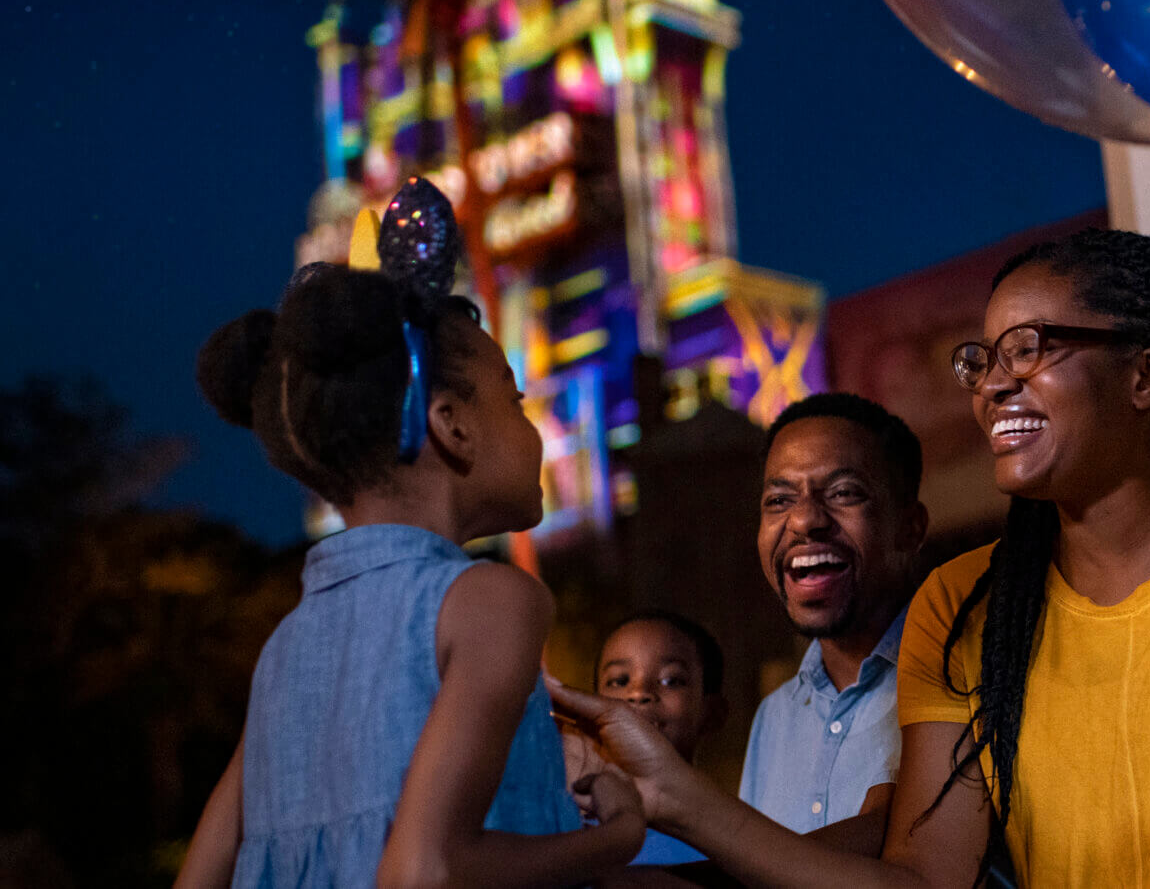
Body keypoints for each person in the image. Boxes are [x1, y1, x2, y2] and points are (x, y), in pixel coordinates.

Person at [548, 228, 1150, 887]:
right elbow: (925, 880)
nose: (995, 385)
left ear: (1147, 374)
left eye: (1031, 348)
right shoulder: (963, 605)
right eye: (983, 359)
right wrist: (677, 801)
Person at [174, 255, 642, 887]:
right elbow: (429, 869)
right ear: (451, 425)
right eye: (516, 398)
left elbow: (199, 878)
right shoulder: (491, 601)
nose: (533, 428)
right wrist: (617, 837)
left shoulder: (285, 649)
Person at [740, 392, 928, 849]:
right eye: (779, 499)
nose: (804, 519)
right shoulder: (774, 719)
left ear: (909, 529)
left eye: (844, 493)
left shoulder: (961, 678)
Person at [593, 611, 728, 867]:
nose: (639, 692)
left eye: (671, 681)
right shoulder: (568, 828)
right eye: (619, 681)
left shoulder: (730, 842)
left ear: (712, 714)